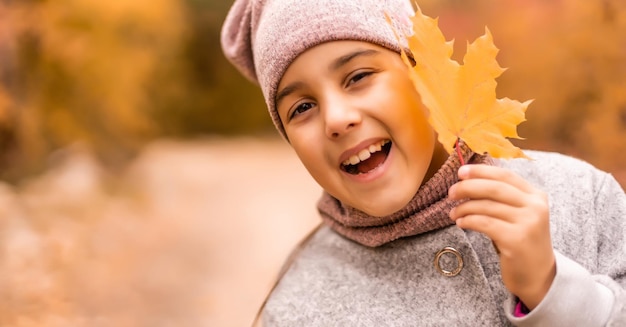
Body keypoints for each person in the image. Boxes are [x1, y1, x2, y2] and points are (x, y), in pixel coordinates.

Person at [220, 0, 626, 325]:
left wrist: (554, 292)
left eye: (358, 76)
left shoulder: (585, 198)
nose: (337, 119)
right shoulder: (298, 308)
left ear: (423, 72)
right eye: (302, 107)